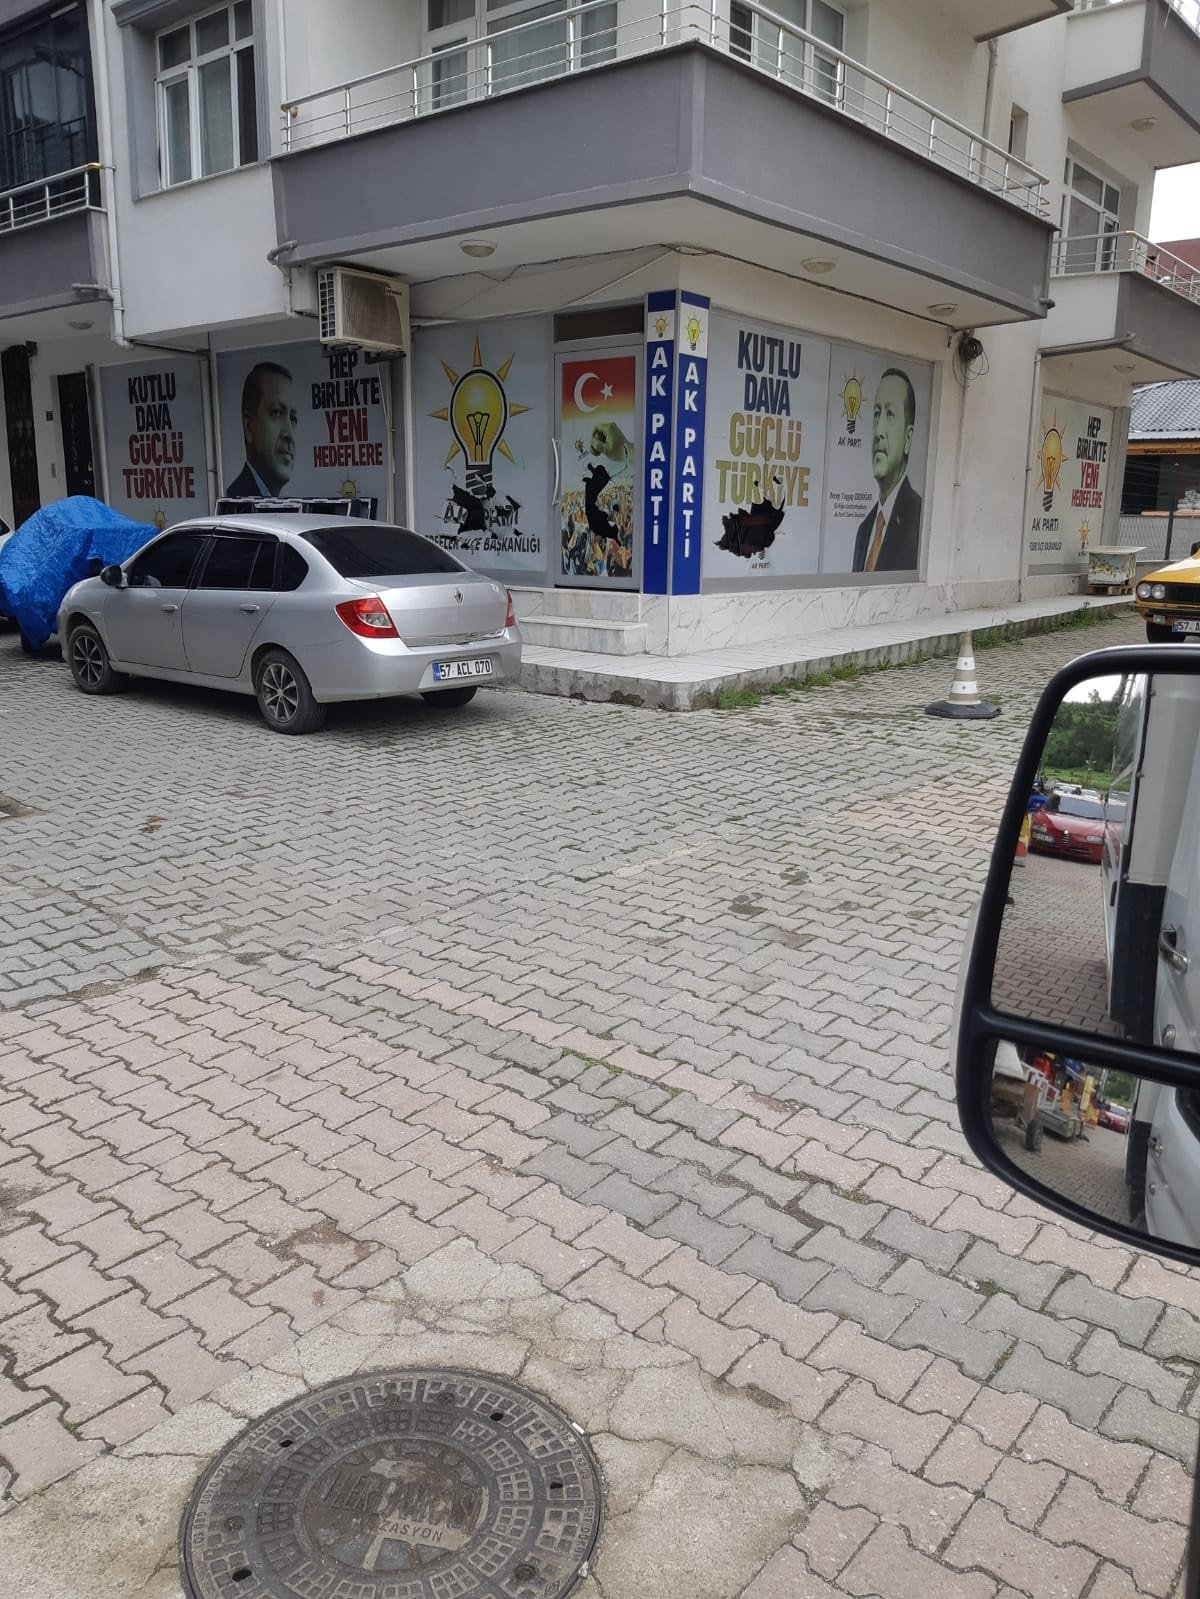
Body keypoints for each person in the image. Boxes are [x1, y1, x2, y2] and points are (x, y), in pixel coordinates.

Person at [853, 368, 923, 573]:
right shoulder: (865, 529)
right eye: (876, 414)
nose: (879, 431)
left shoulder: (919, 520)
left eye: (890, 414)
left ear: (908, 439)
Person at [226, 362, 297, 497]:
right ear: (249, 426)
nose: (289, 433)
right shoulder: (236, 505)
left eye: (293, 418)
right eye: (276, 412)